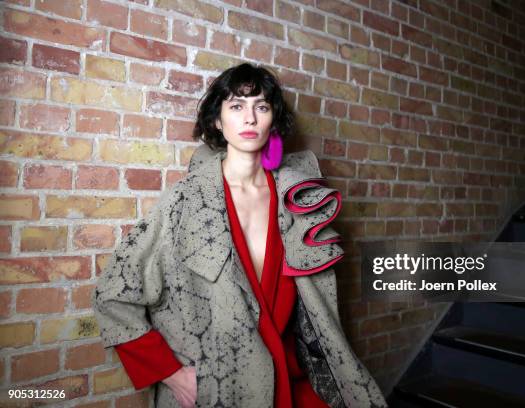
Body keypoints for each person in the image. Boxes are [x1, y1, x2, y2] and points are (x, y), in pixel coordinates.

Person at [93, 63, 387, 408]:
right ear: (218, 120)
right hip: (220, 390)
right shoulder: (184, 199)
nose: (249, 118)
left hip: (290, 382)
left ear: (272, 120)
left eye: (261, 107)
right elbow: (112, 295)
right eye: (236, 106)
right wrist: (172, 374)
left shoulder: (299, 200)